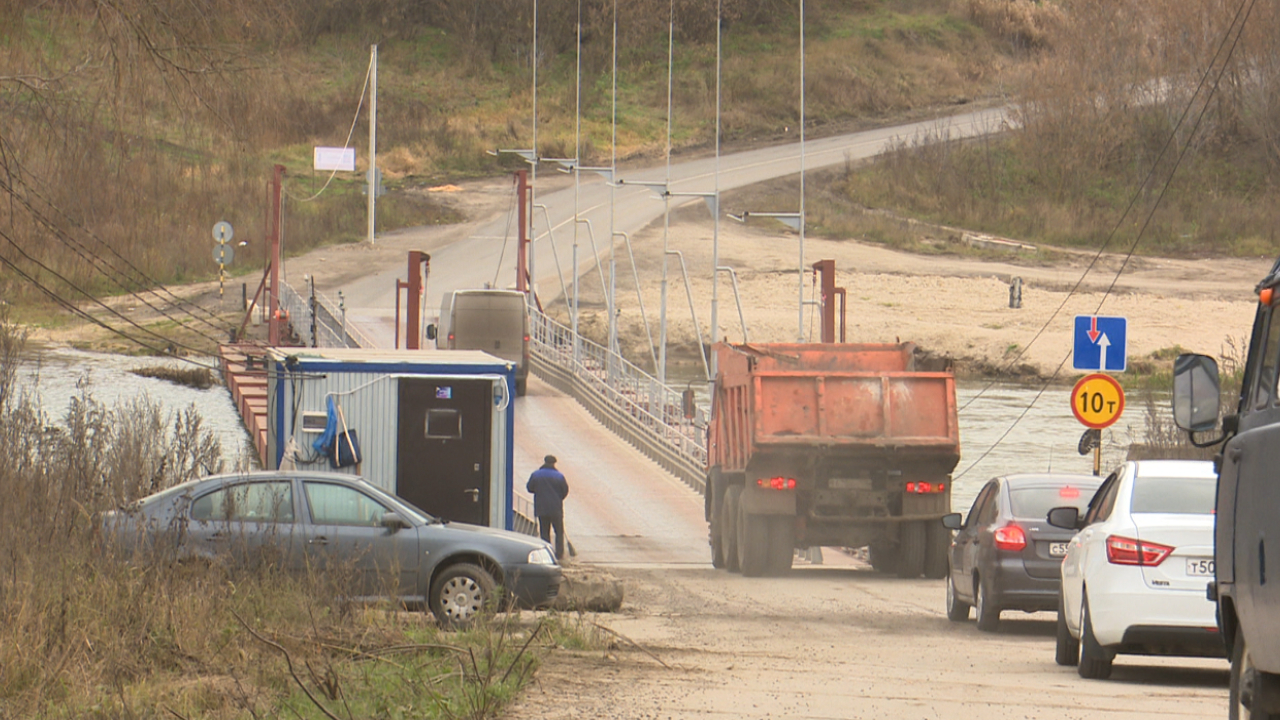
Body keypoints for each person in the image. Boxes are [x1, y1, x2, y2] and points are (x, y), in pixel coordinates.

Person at [526, 454, 569, 560]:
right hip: (556, 509)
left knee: (544, 532)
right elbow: (565, 491)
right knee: (559, 531)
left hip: (541, 508)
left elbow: (530, 488)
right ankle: (559, 554)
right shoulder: (559, 476)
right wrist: (558, 498)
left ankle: (547, 554)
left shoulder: (536, 475)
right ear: (554, 463)